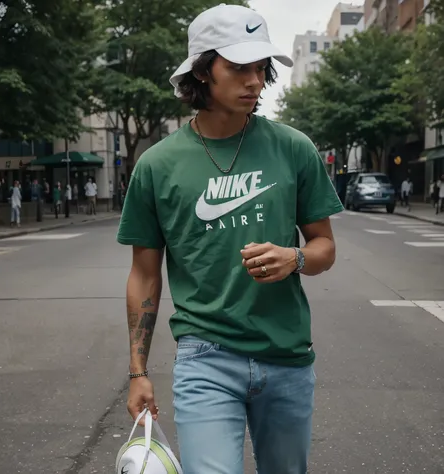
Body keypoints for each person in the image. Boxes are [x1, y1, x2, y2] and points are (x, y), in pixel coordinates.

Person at [116, 4, 343, 474]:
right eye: (239, 67)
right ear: (203, 70)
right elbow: (144, 273)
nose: (255, 80)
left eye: (261, 67)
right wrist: (138, 372)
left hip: (287, 356)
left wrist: (295, 258)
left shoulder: (294, 148)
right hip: (206, 357)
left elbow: (325, 248)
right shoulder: (157, 166)